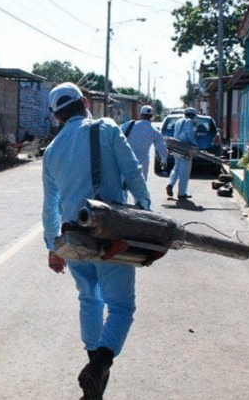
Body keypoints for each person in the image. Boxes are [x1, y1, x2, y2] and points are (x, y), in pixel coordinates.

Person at [42, 82, 151, 400]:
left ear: (56, 116)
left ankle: (94, 379)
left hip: (74, 239)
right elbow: (133, 175)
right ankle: (99, 365)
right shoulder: (106, 128)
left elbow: (50, 206)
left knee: (89, 300)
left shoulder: (52, 151)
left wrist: (53, 247)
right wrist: (143, 219)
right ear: (85, 102)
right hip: (111, 234)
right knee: (121, 307)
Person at [120, 105, 167, 180]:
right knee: (141, 187)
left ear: (140, 115)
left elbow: (118, 135)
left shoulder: (129, 125)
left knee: (124, 185)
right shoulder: (155, 131)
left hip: (128, 159)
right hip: (143, 162)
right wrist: (164, 160)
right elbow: (162, 148)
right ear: (151, 116)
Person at [166, 107, 198, 199]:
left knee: (176, 168)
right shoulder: (189, 122)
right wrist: (195, 147)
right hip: (185, 149)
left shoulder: (179, 121)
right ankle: (181, 193)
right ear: (192, 115)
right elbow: (190, 136)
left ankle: (170, 184)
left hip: (176, 147)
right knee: (184, 172)